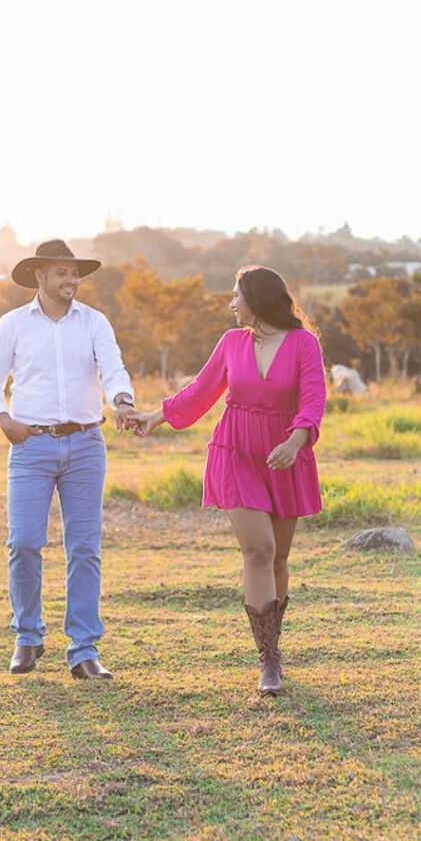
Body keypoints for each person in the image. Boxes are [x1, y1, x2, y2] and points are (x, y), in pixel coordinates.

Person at [132, 265, 326, 694]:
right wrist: (155, 416)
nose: (231, 303)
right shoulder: (230, 343)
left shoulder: (303, 344)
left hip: (285, 455)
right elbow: (200, 392)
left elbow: (313, 398)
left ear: (256, 300)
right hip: (235, 451)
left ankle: (274, 645)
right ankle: (268, 662)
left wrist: (296, 442)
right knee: (259, 549)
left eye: (236, 295)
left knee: (278, 557)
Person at [0, 238, 141, 680]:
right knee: (24, 543)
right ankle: (27, 636)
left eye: (76, 274)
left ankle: (84, 648)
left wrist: (122, 400)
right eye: (63, 273)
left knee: (85, 549)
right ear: (40, 276)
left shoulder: (94, 322)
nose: (73, 281)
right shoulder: (12, 325)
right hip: (30, 446)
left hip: (87, 444)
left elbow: (113, 368)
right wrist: (3, 420)